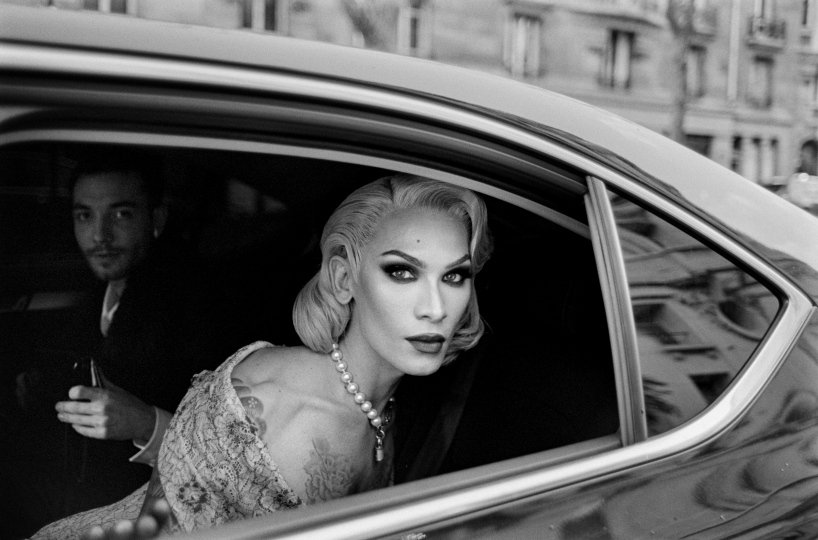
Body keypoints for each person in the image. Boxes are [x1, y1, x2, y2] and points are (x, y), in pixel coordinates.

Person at [31, 173, 492, 539]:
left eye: (454, 276)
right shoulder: (285, 421)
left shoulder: (380, 401)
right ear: (343, 279)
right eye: (402, 272)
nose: (435, 308)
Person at [6, 150, 239, 536]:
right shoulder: (101, 289)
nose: (99, 236)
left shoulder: (198, 302)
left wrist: (146, 422)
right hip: (79, 478)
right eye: (85, 216)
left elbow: (228, 448)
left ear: (156, 220)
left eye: (121, 214)